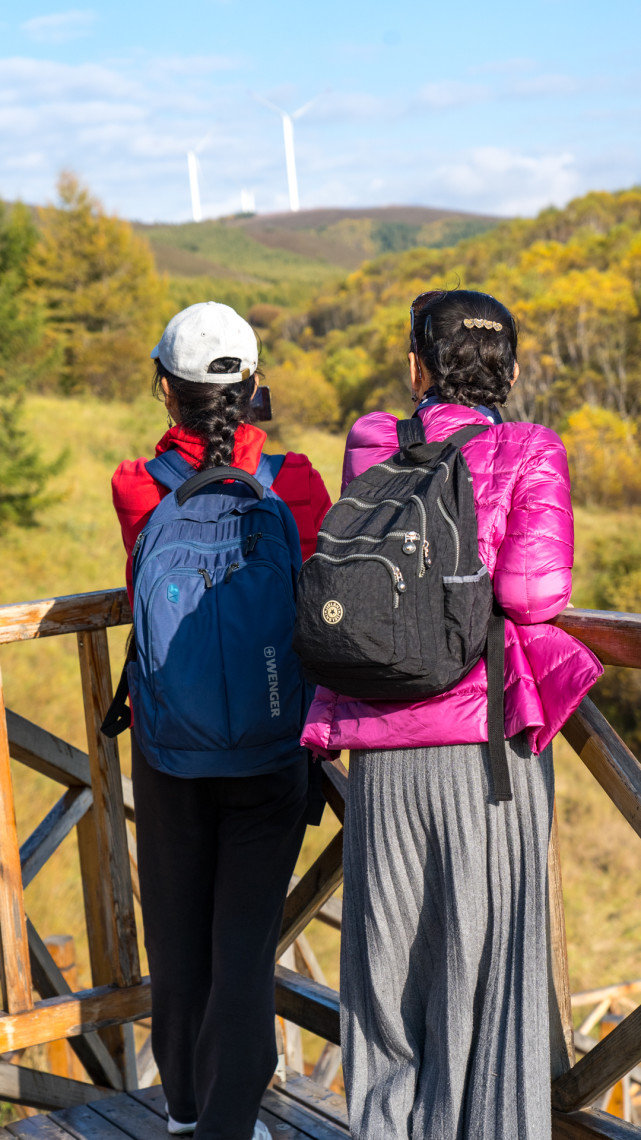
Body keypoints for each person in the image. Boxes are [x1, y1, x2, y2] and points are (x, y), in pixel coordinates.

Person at [301, 289, 602, 1140]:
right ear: (508, 370)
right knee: (494, 968)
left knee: (386, 969)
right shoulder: (530, 448)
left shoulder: (371, 442)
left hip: (381, 747)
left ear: (414, 367)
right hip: (484, 753)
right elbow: (533, 592)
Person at [111, 302, 331, 1140]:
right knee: (244, 939)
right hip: (275, 745)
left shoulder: (136, 485)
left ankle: (181, 1107)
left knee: (177, 929)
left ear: (166, 390)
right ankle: (233, 1119)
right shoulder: (299, 481)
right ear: (251, 383)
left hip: (170, 745)